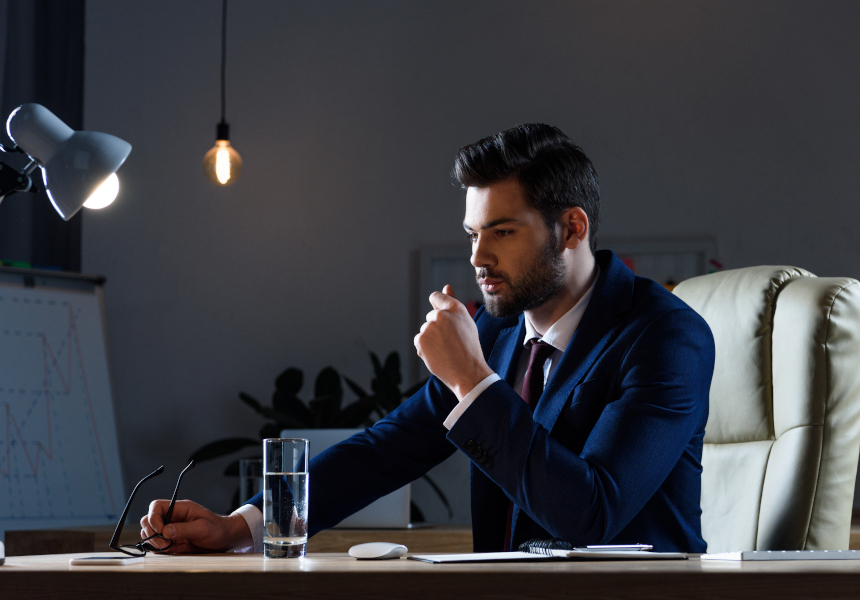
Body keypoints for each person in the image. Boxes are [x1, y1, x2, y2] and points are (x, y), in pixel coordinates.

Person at [141, 123, 715, 553]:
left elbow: (592, 513)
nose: (478, 258)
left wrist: (472, 379)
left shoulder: (666, 337)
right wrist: (239, 527)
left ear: (571, 227)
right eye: (472, 234)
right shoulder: (497, 330)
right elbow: (388, 449)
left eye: (503, 232)